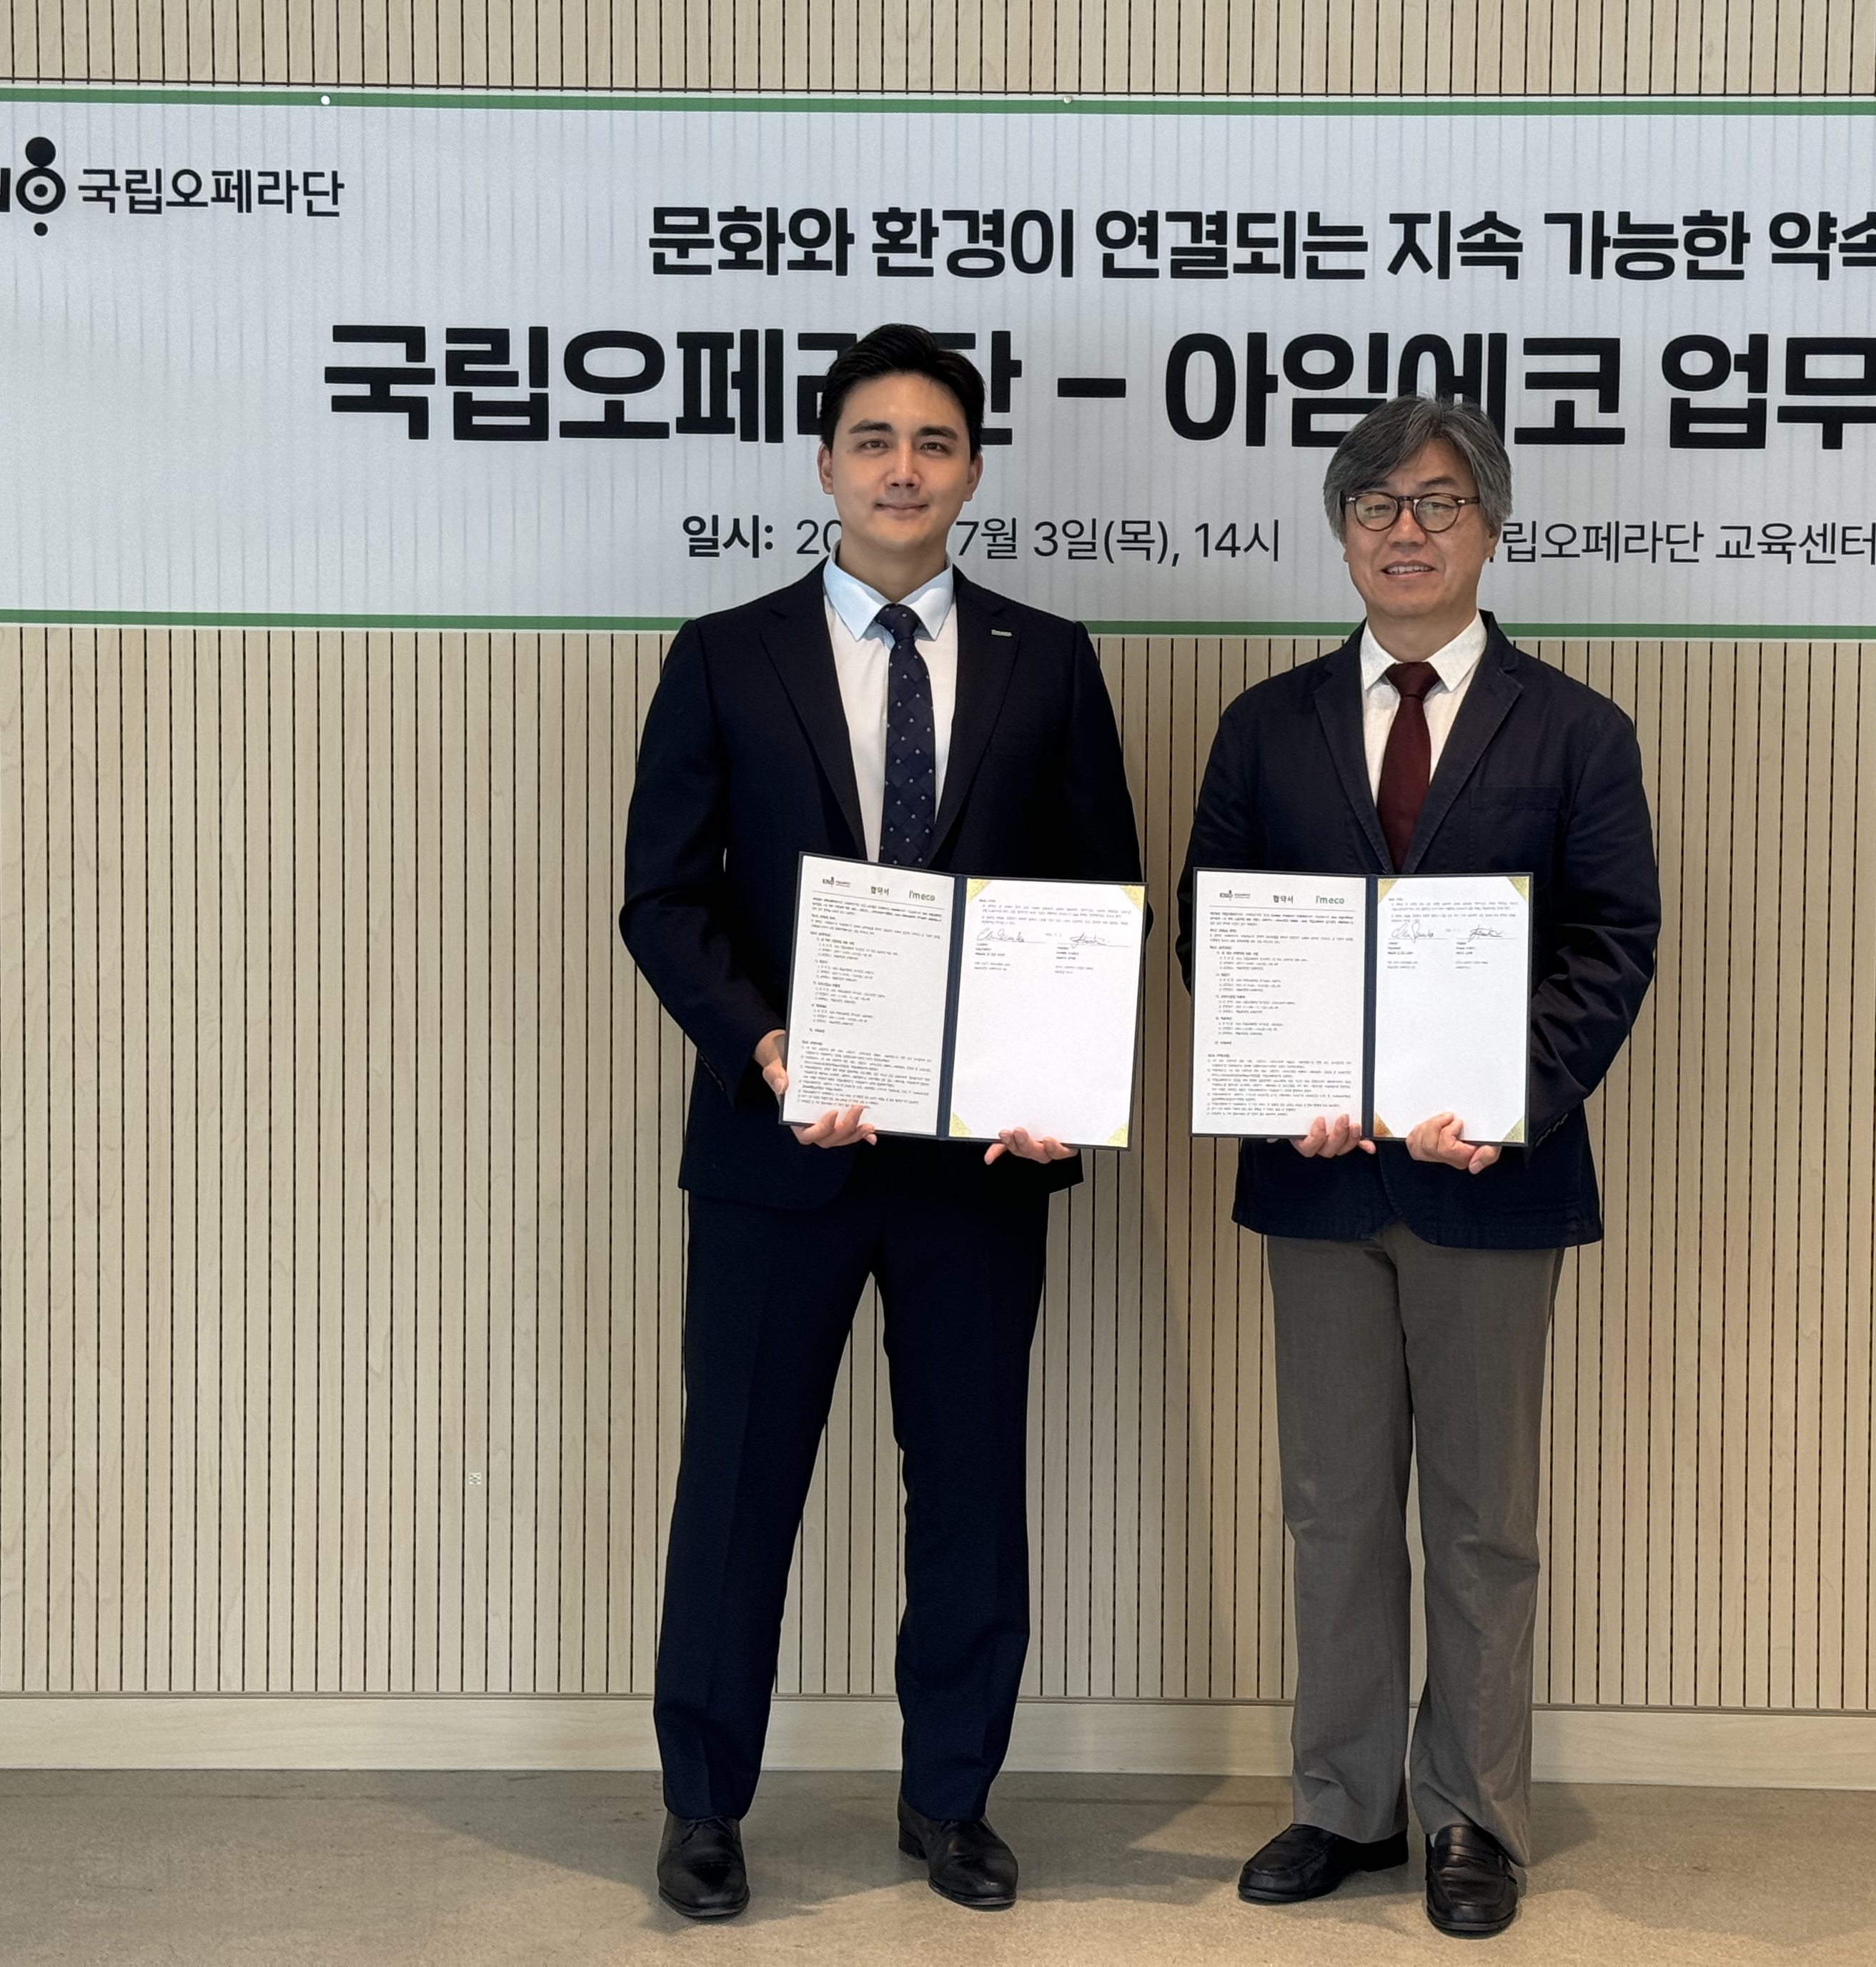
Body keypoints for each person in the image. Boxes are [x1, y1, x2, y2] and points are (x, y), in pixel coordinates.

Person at [620, 324, 1143, 1921]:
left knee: (970, 1484)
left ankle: (953, 1799)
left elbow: (1096, 901)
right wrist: (768, 1050)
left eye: (932, 442)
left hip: (979, 1166)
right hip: (781, 1147)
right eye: (873, 440)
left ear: (972, 469)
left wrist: (1058, 1089)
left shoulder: (1052, 660)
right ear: (825, 463)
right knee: (739, 1484)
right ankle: (705, 1806)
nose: (902, 468)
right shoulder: (726, 654)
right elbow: (663, 900)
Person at [1176, 394, 1659, 1940]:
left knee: (1480, 1519)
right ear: (1342, 532)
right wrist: (1283, 1089)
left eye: (1439, 503)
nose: (1407, 530)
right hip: (1318, 1179)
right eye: (1377, 504)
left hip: (1491, 1183)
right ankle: (1342, 1803)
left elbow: (1612, 942)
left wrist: (1505, 1101)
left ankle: (1471, 1816)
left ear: (1490, 527)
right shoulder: (1265, 726)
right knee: (1331, 1510)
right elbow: (1217, 934)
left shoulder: (1576, 729)